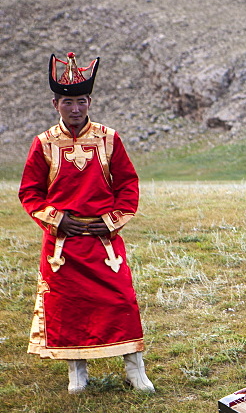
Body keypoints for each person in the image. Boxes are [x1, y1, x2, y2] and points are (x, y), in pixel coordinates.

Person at [18, 52, 154, 394]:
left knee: (121, 300)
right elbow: (30, 192)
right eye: (68, 102)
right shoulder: (44, 144)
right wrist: (57, 219)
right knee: (67, 305)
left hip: (103, 242)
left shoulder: (109, 139)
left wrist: (109, 221)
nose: (75, 109)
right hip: (62, 245)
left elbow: (127, 185)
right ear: (55, 103)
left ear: (89, 101)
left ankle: (134, 368)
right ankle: (76, 372)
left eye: (81, 101)